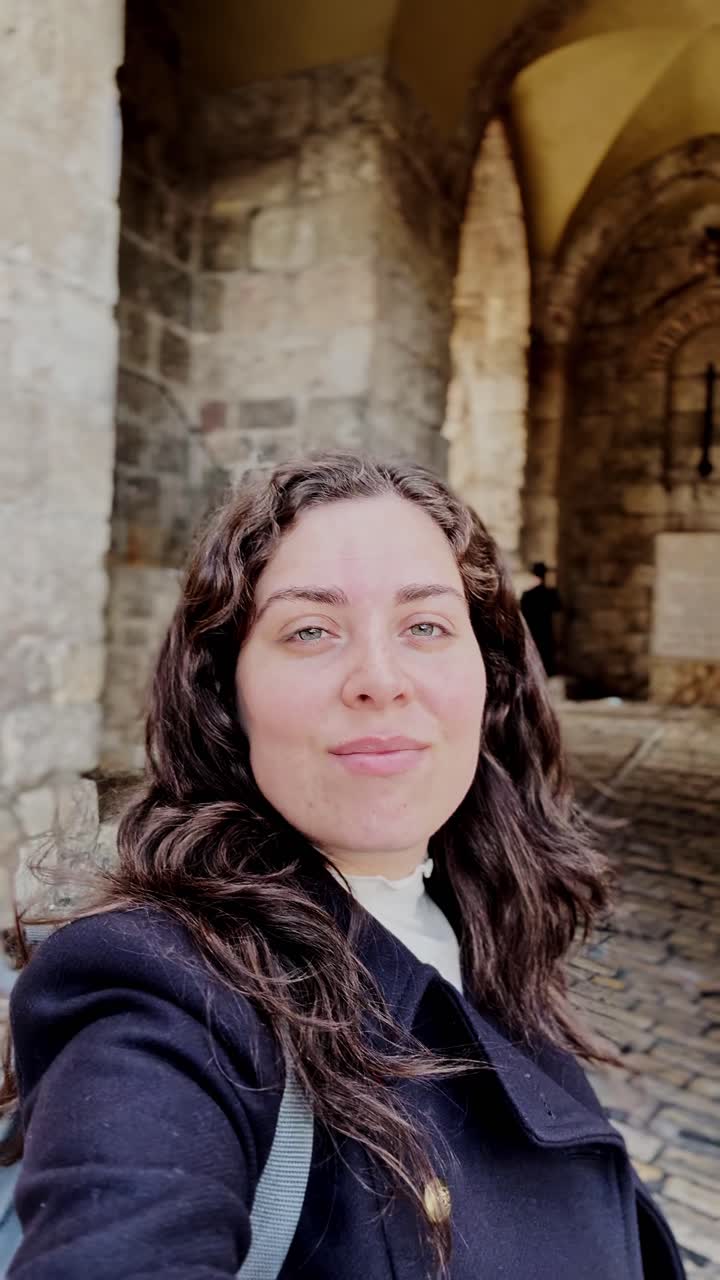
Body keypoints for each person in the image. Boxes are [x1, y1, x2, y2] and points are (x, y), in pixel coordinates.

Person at [2, 453, 683, 1279]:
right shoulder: (163, 986)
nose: (380, 680)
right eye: (311, 631)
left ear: (490, 677)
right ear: (226, 693)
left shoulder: (486, 913)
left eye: (425, 626)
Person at [520, 561, 562, 677]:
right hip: (546, 630)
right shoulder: (549, 593)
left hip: (533, 630)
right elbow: (559, 609)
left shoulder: (528, 595)